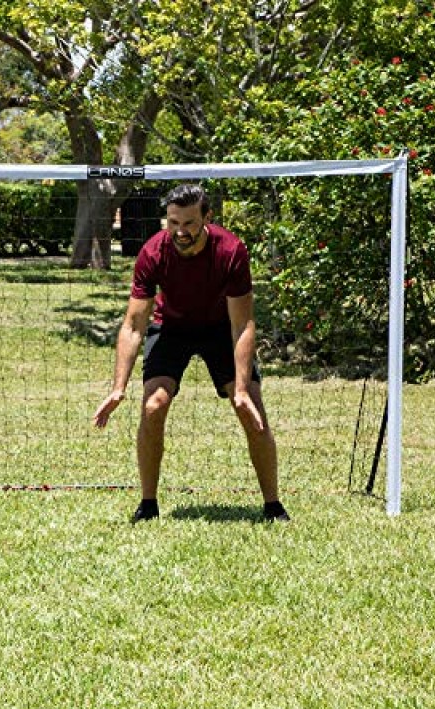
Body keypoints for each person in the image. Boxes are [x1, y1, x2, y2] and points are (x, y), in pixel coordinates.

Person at [93, 184, 289, 523]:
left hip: (220, 329)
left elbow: (242, 325)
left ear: (207, 219)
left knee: (251, 408)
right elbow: (133, 325)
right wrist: (117, 388)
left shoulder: (230, 250)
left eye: (188, 224)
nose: (180, 232)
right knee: (153, 405)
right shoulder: (153, 252)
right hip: (171, 327)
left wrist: (241, 389)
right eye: (173, 223)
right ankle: (148, 504)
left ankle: (273, 505)